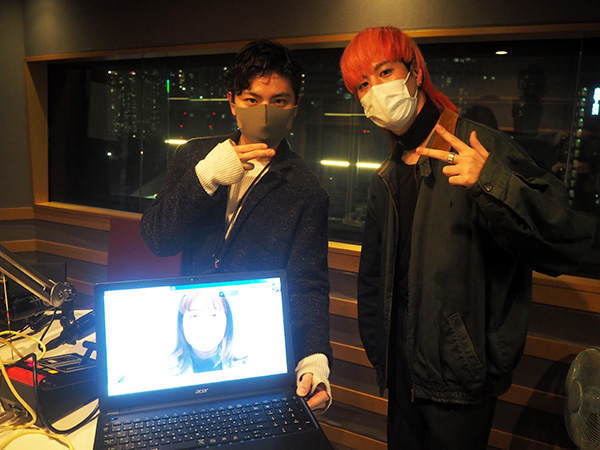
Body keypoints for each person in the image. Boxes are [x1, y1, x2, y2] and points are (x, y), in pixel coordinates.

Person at [340, 26, 597, 449]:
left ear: (415, 72)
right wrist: (377, 345)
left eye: (384, 72)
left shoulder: (476, 146)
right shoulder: (388, 172)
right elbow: (374, 275)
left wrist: (491, 180)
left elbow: (566, 239)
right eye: (362, 85)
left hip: (460, 377)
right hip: (400, 370)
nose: (375, 91)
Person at [141, 40, 332, 412]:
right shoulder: (195, 156)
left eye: (279, 100)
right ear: (232, 102)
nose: (265, 111)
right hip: (191, 329)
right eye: (251, 99)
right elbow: (158, 239)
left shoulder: (306, 191)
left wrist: (314, 361)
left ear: (294, 108)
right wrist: (205, 178)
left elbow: (308, 284)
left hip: (257, 351)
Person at [171, 292, 237, 374]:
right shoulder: (160, 371)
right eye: (194, 316)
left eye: (214, 315)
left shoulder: (249, 365)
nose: (204, 326)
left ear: (227, 321)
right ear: (181, 325)